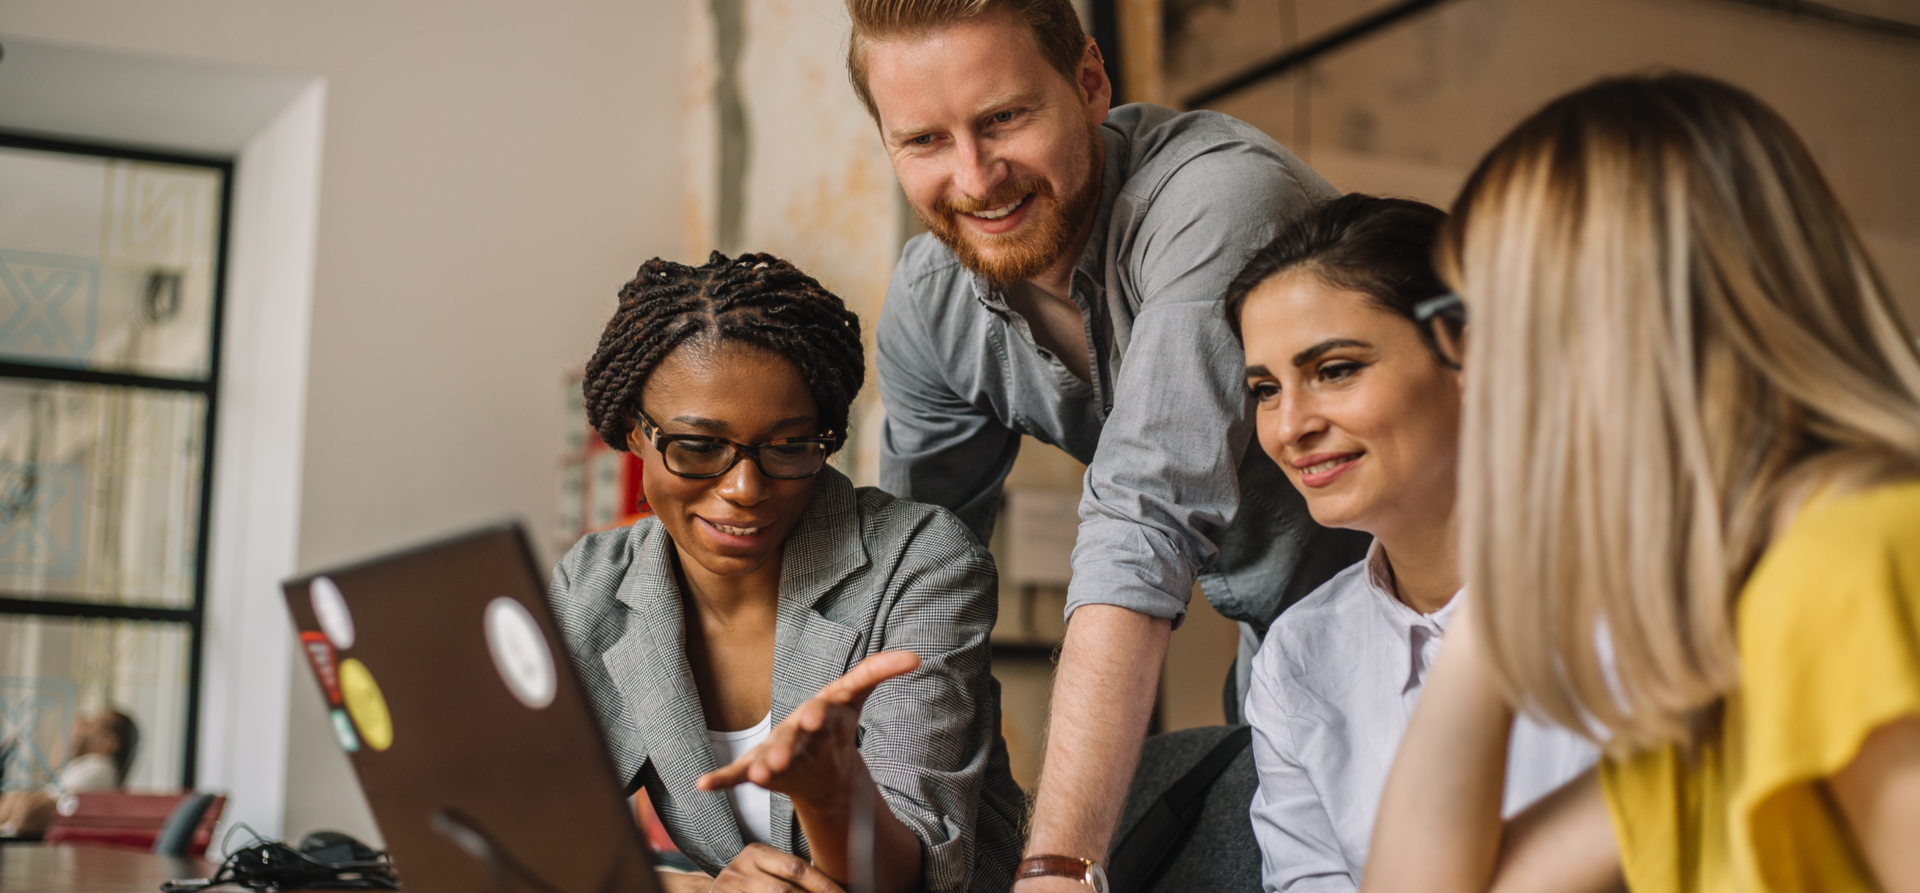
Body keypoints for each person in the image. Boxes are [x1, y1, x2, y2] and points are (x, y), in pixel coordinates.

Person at [847, 0, 1368, 882]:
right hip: (1283, 658)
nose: (975, 179)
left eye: (1004, 118)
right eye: (925, 141)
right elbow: (917, 591)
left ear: (1090, 81)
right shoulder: (934, 305)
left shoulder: (1217, 203)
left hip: (1464, 616)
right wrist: (900, 854)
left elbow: (1142, 520)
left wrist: (1055, 867)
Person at [1363, 74, 1920, 892]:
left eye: (1478, 318)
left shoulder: (1851, 561)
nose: (1467, 370)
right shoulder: (1737, 632)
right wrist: (1502, 589)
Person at [549, 252, 1025, 893]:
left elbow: (917, 884)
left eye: (789, 446)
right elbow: (526, 831)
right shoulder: (595, 583)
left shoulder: (921, 564)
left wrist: (830, 790)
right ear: (637, 435)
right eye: (697, 446)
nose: (744, 488)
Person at [1227, 194, 1597, 892]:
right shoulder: (1299, 656)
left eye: (1334, 369)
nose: (1289, 426)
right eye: (1266, 388)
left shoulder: (1645, 608)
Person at [0, 709, 140, 836]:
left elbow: (36, 808)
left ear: (109, 742)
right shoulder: (87, 766)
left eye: (96, 722)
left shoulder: (101, 768)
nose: (85, 724)